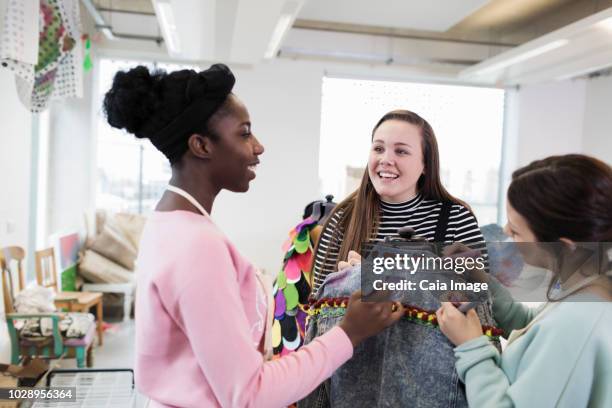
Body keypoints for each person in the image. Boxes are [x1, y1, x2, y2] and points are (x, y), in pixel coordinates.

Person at [103, 63, 405, 408]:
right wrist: (349, 332)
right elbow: (249, 394)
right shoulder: (197, 245)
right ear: (201, 145)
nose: (258, 147)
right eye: (244, 133)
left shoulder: (167, 223)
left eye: (402, 151)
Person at [436, 154, 612, 407]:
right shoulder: (591, 291)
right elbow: (536, 330)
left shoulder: (579, 321)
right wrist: (482, 281)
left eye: (516, 230)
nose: (506, 232)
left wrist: (471, 346)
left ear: (564, 248)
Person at [312, 109, 487, 292]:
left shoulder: (456, 220)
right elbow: (316, 311)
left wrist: (379, 281)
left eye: (401, 151)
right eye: (379, 148)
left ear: (426, 164)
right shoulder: (342, 220)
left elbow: (480, 302)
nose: (386, 159)